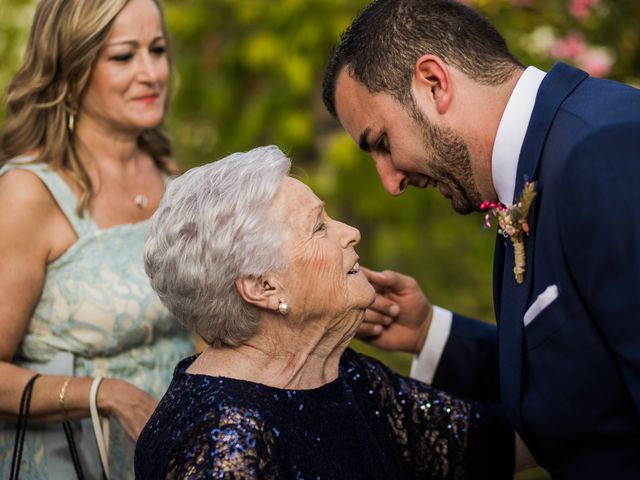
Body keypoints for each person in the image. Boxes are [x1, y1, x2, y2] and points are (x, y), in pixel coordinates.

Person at [321, 0, 640, 478]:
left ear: (433, 82)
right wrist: (432, 332)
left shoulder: (603, 152)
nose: (391, 183)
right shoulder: (530, 173)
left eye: (382, 142)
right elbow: (583, 376)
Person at [134, 145, 519, 479]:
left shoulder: (340, 373)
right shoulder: (226, 438)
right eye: (319, 227)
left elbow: (490, 443)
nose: (350, 231)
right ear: (263, 287)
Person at [0, 0, 193, 478]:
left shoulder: (177, 185)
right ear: (73, 66)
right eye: (124, 56)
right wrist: (104, 393)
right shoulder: (30, 193)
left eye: (158, 49)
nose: (151, 73)